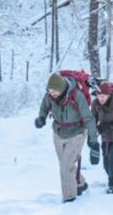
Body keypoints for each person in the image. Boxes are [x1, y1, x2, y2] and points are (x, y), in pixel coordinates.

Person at [35, 72, 99, 203]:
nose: (51, 93)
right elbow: (44, 107)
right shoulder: (50, 96)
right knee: (66, 164)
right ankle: (81, 183)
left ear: (62, 88)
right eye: (49, 90)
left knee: (65, 166)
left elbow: (88, 118)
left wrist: (93, 141)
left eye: (54, 91)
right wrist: (41, 117)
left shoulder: (77, 96)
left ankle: (70, 199)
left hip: (77, 134)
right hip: (58, 133)